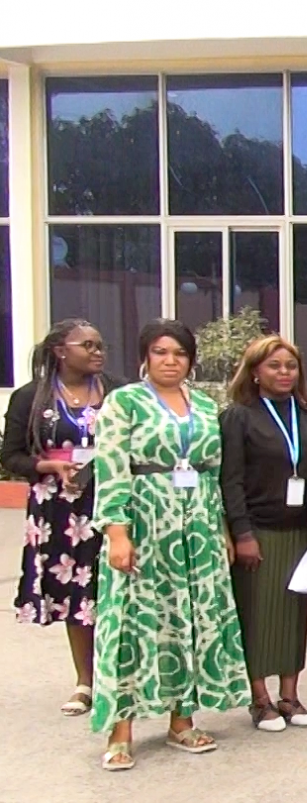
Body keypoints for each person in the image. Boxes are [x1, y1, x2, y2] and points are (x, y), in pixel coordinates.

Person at [89, 321, 247, 770]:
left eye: (179, 353)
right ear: (145, 356)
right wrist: (116, 532)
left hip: (196, 522)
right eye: (161, 352)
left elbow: (213, 472)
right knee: (135, 623)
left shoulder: (203, 404)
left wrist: (222, 531)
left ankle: (182, 720)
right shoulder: (124, 402)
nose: (170, 360)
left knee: (189, 619)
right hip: (145, 518)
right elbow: (112, 468)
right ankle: (121, 731)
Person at [220, 336, 307, 732]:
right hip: (259, 531)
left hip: (301, 531)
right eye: (274, 366)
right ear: (255, 371)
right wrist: (242, 534)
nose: (284, 373)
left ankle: (290, 695)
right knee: (256, 615)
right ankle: (260, 700)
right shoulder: (239, 415)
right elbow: (231, 481)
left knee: (293, 614)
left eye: (290, 366)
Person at [3, 319, 120, 717]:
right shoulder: (30, 398)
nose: (97, 351)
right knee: (77, 597)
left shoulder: (118, 392)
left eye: (100, 344)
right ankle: (85, 681)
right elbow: (11, 455)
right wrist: (48, 465)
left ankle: (119, 675)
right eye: (87, 344)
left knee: (116, 589)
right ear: (60, 350)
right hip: (60, 511)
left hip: (112, 502)